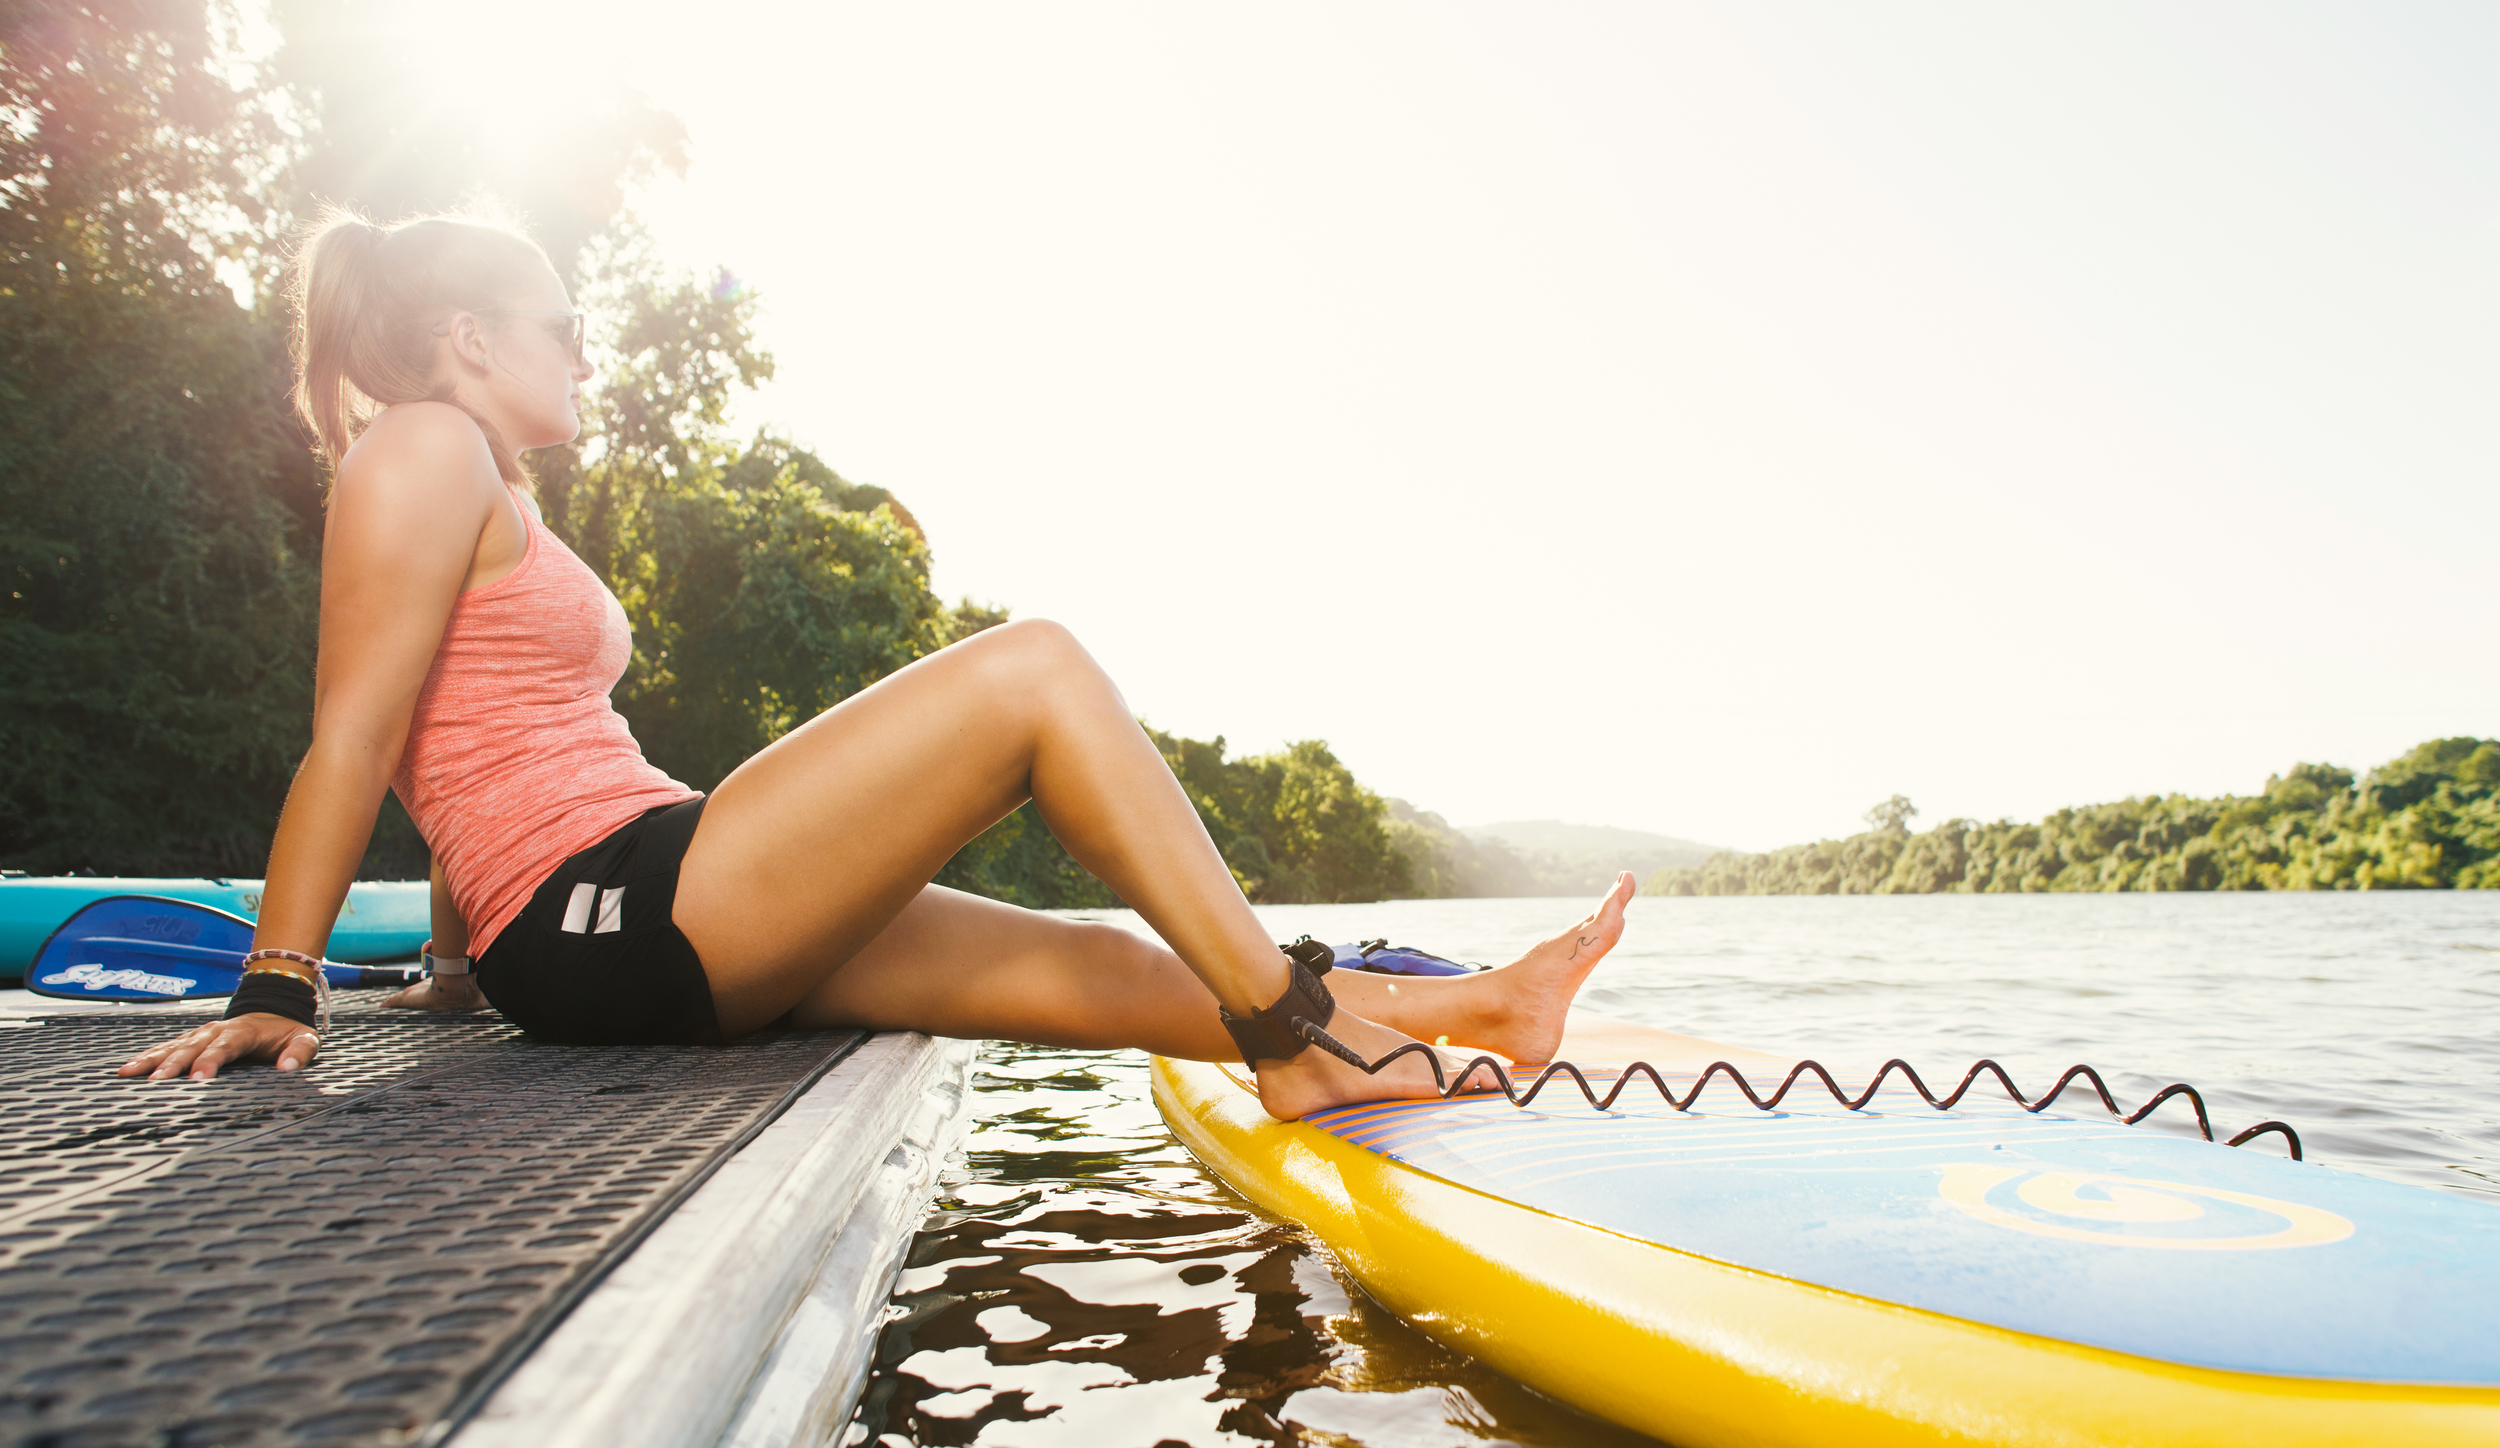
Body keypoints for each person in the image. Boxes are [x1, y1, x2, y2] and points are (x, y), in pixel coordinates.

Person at [118, 211, 1633, 1118]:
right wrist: (283, 981)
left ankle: (1477, 1011)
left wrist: (456, 966)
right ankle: (1301, 1046)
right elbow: (357, 733)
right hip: (620, 906)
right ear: (464, 338)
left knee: (1091, 963)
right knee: (1034, 669)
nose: (585, 353)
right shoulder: (420, 445)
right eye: (561, 328)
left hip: (624, 893)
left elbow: (472, 734)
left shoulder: (487, 478)